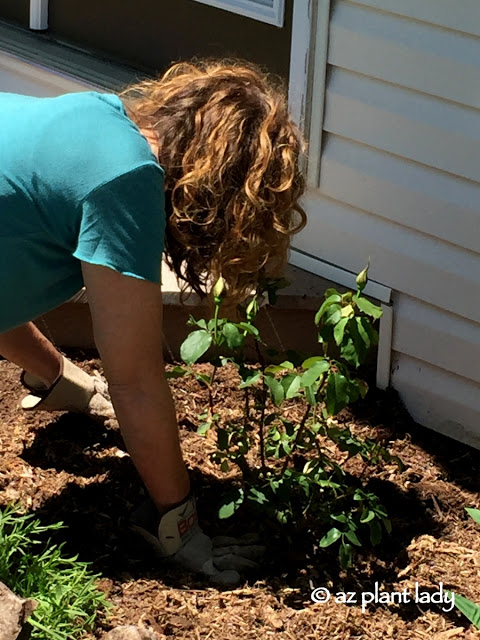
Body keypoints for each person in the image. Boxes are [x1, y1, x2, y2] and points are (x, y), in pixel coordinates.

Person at [0, 59, 306, 585]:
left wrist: (64, 381)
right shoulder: (127, 181)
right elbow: (136, 383)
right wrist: (180, 526)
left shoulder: (95, 116)